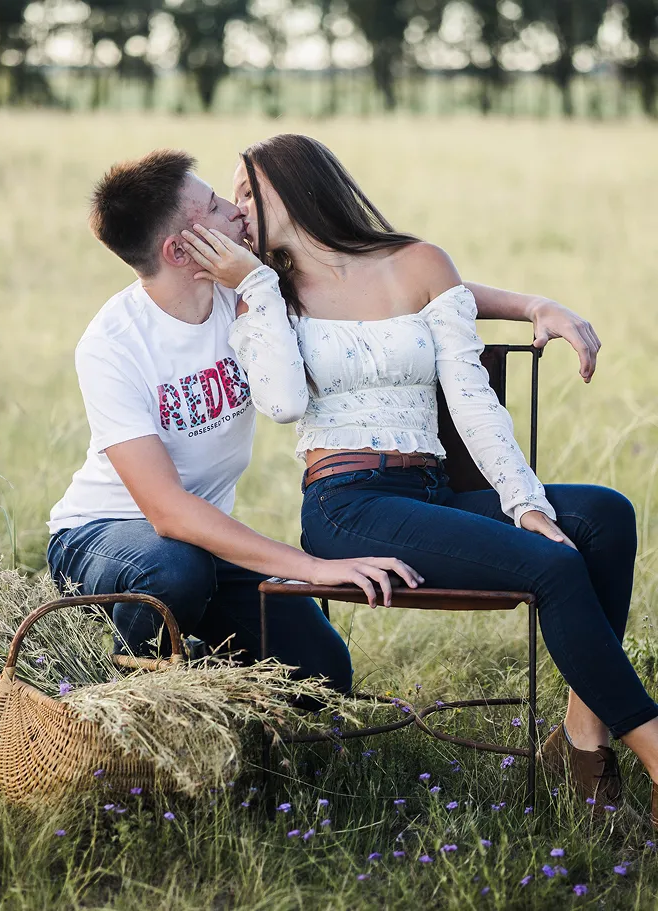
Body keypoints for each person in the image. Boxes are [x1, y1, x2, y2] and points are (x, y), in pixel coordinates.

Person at [179, 133, 658, 825]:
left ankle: (583, 737)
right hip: (347, 506)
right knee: (554, 565)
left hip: (433, 490)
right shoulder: (263, 296)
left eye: (249, 190)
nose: (238, 208)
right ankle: (644, 750)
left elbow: (470, 398)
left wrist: (522, 500)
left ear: (300, 184)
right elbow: (281, 403)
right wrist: (255, 285)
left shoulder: (421, 263)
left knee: (604, 514)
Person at [47, 148, 600, 704]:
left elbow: (384, 284)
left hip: (204, 541)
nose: (237, 212)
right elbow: (165, 512)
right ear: (179, 248)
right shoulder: (114, 344)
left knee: (322, 675)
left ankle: (209, 673)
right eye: (216, 205)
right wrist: (310, 568)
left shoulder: (243, 290)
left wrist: (531, 305)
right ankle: (123, 704)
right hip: (109, 533)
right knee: (173, 570)